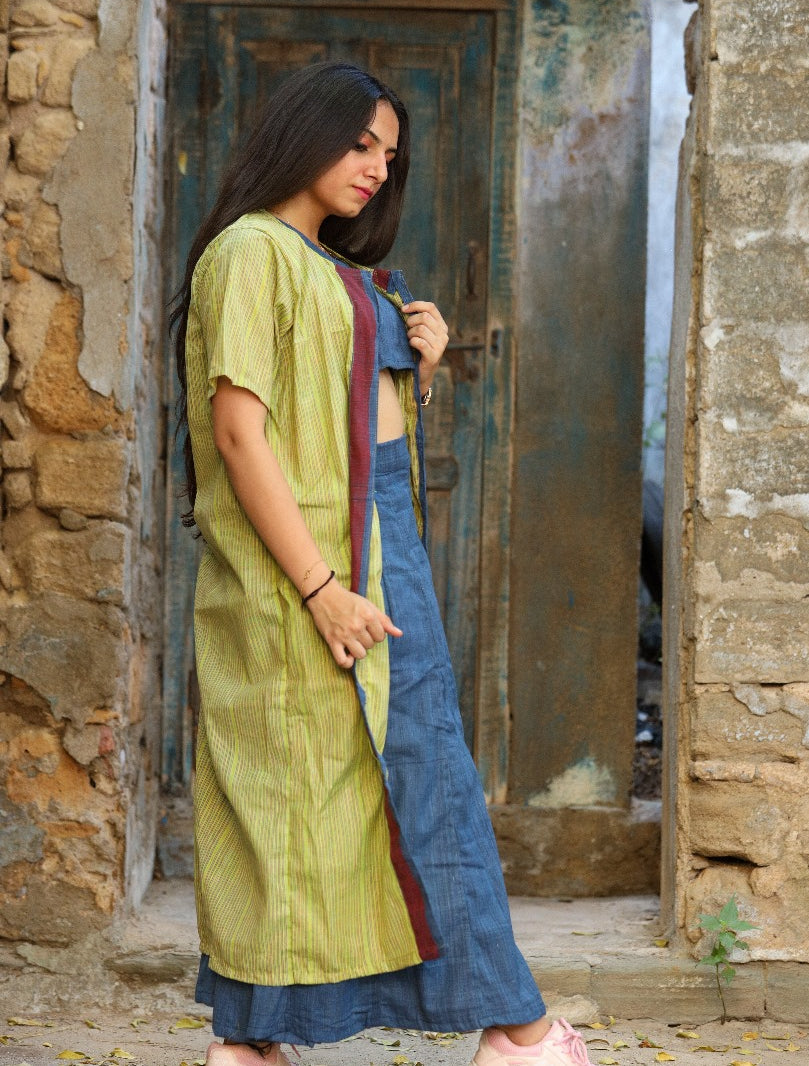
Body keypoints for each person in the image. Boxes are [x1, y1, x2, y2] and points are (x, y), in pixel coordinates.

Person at [171, 61, 592, 1066]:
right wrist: (321, 588)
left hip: (376, 557)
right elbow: (238, 434)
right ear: (303, 134)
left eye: (389, 156)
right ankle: (518, 1032)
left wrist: (422, 369)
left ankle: (257, 1044)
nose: (375, 167)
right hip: (307, 576)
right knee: (301, 801)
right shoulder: (250, 252)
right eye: (359, 143)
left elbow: (357, 430)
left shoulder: (334, 270)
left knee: (395, 792)